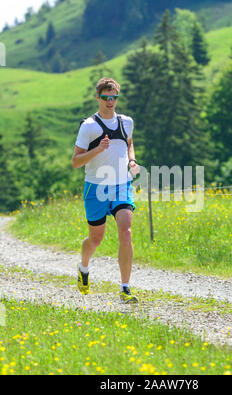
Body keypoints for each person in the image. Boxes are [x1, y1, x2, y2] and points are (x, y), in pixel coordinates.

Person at [72, 77, 140, 303]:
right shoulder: (89, 126)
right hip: (96, 188)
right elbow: (76, 161)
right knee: (96, 239)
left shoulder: (126, 122)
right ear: (98, 97)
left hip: (122, 185)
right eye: (106, 97)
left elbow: (129, 143)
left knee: (126, 230)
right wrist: (98, 149)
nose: (110, 101)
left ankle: (125, 287)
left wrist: (132, 161)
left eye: (114, 97)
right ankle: (83, 267)